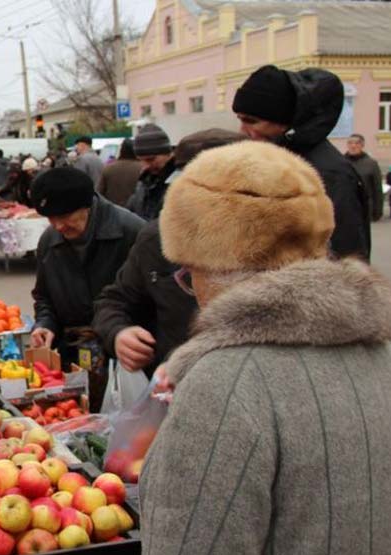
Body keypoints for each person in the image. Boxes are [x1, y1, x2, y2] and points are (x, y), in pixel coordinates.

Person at [140, 140, 391, 555]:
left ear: (218, 268)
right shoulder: (380, 352)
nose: (192, 289)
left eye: (189, 274)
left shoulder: (222, 385)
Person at [92, 129, 245, 375]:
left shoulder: (283, 243)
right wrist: (119, 333)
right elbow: (114, 300)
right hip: (174, 386)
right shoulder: (156, 238)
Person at [30, 168, 145, 400]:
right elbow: (44, 296)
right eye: (51, 219)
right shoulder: (50, 241)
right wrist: (45, 324)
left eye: (64, 217)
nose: (58, 226)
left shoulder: (133, 232)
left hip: (124, 356)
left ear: (87, 205)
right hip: (73, 352)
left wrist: (123, 335)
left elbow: (154, 299)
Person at [233, 64, 370, 260]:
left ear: (283, 122)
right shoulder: (278, 161)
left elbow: (346, 256)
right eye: (240, 119)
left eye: (251, 121)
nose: (242, 130)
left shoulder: (328, 172)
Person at [125, 124, 175, 220]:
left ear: (167, 154)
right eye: (141, 160)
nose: (145, 166)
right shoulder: (143, 183)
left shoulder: (181, 181)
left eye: (150, 159)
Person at [345, 133, 384, 221]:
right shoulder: (342, 162)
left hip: (365, 209)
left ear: (362, 145)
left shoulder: (371, 164)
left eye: (357, 143)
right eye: (350, 143)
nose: (353, 146)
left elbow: (377, 189)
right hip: (346, 209)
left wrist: (378, 211)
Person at [96, 137, 142, 207]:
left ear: (121, 150)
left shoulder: (109, 168)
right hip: (136, 213)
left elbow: (99, 193)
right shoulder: (141, 168)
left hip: (113, 211)